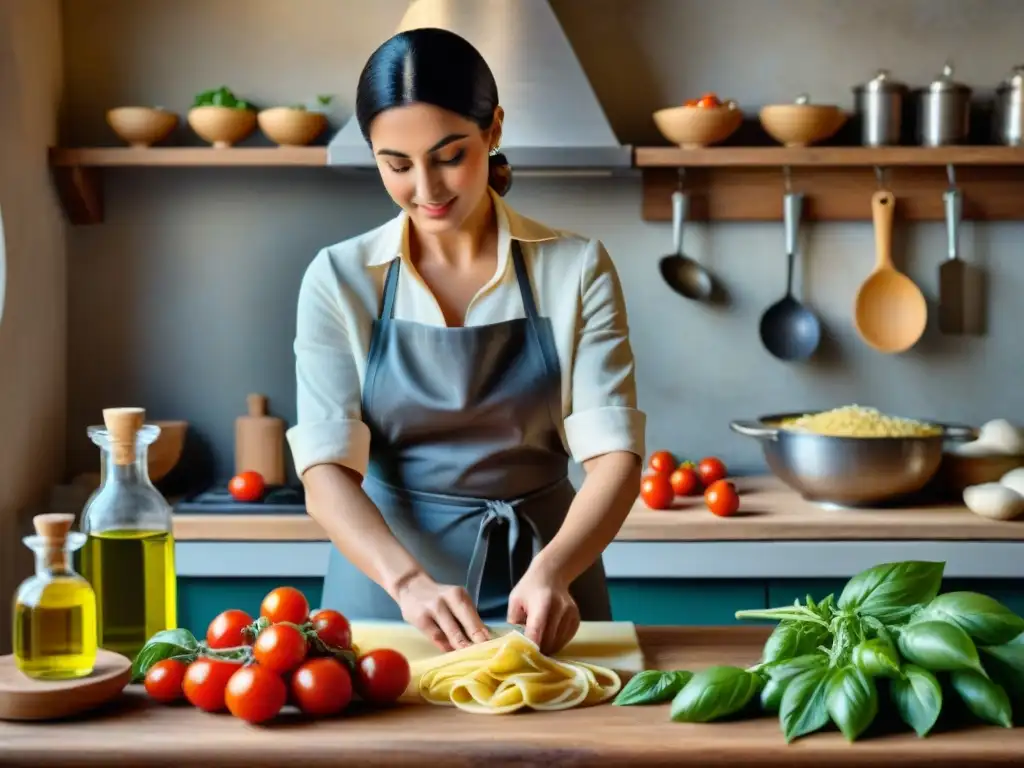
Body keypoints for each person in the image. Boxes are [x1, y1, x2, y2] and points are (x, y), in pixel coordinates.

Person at [286, 27, 645, 656]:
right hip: (385, 599)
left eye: (449, 155)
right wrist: (407, 582)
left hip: (548, 591)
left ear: (494, 129)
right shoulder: (340, 278)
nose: (426, 189)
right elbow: (324, 471)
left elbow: (615, 457)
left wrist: (556, 570)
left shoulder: (576, 268)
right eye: (395, 165)